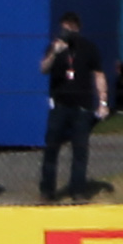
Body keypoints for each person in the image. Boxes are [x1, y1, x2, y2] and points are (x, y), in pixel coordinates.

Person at [39, 10, 110, 202]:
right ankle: (47, 190)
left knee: (80, 150)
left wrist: (102, 102)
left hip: (82, 107)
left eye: (71, 28)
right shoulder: (54, 47)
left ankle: (78, 190)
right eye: (64, 28)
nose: (67, 32)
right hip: (60, 105)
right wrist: (54, 52)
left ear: (78, 29)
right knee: (52, 148)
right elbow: (43, 69)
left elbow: (98, 74)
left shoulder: (88, 48)